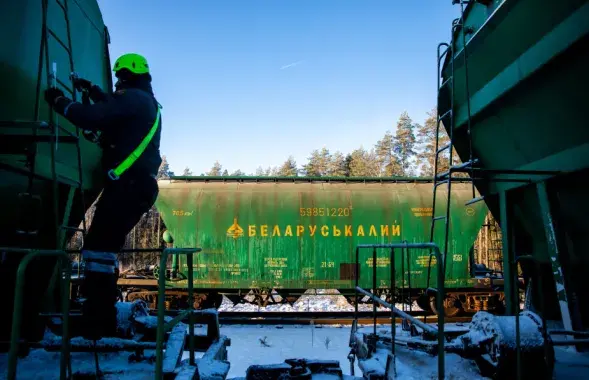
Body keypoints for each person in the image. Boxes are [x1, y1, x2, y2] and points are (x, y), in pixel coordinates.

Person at [44, 53, 163, 339]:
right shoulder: (144, 101)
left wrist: (59, 101)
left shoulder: (133, 99)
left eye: (119, 77)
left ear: (125, 76)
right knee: (102, 249)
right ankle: (100, 316)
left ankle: (98, 322)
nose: (118, 83)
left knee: (98, 248)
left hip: (128, 186)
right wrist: (94, 91)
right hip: (136, 187)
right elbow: (115, 109)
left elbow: (93, 116)